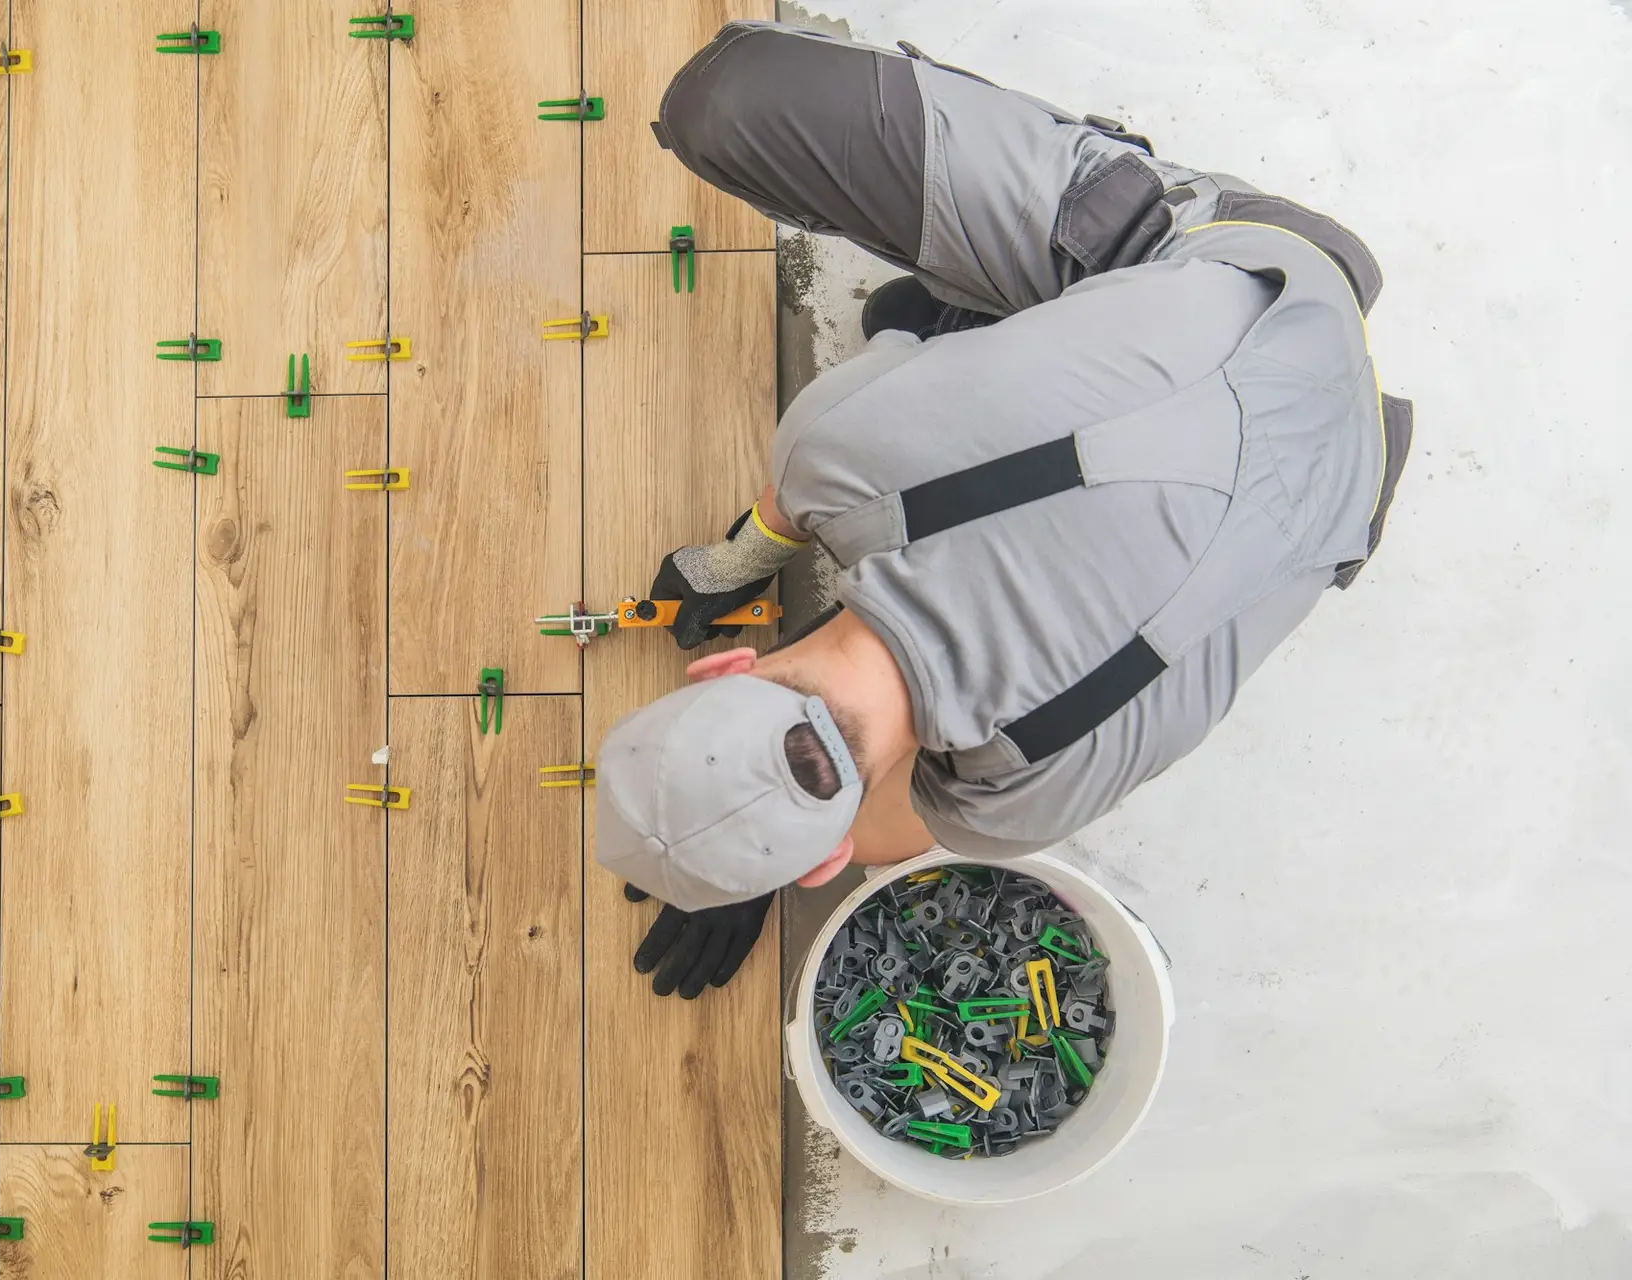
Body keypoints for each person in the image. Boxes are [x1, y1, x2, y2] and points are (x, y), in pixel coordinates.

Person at [597, 22, 1413, 999]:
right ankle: (964, 326)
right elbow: (805, 502)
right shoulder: (837, 453)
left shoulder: (1027, 794)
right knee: (726, 110)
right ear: (724, 662)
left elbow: (899, 823)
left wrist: (757, 842)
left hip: (1337, 477)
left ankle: (985, 320)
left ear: (824, 863)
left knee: (918, 360)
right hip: (1276, 287)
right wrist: (735, 560)